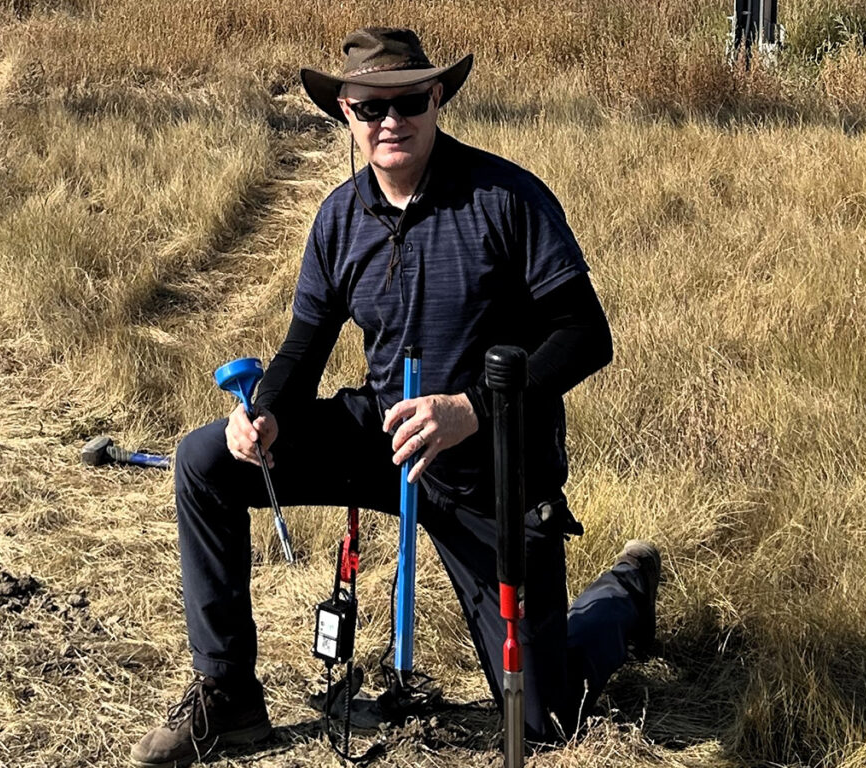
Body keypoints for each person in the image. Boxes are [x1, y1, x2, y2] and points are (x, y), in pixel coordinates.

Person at [130, 27, 661, 768]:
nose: (390, 121)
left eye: (408, 100)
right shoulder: (339, 218)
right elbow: (302, 348)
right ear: (344, 112)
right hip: (386, 439)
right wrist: (265, 414)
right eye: (369, 106)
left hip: (493, 472)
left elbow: (585, 335)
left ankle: (627, 591)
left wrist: (471, 409)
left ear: (437, 97)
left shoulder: (506, 198)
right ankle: (228, 698)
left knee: (545, 722)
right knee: (204, 459)